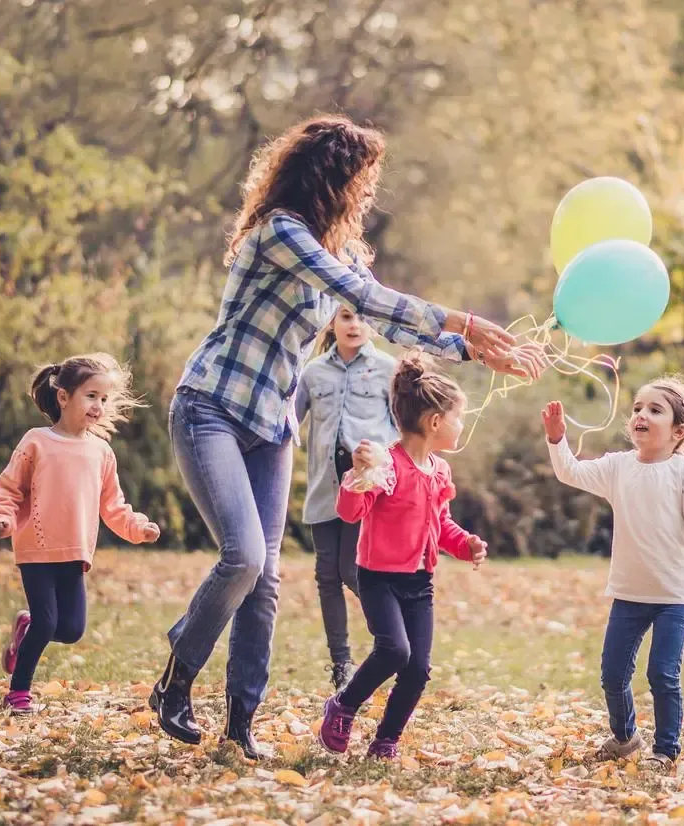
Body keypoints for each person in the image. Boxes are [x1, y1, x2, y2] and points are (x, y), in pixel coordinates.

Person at [151, 114, 546, 755]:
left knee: (267, 577)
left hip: (272, 424)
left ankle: (240, 724)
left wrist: (470, 351)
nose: (368, 193)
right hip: (213, 407)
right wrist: (470, 321)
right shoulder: (280, 233)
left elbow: (387, 318)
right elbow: (359, 291)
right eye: (362, 180)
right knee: (244, 557)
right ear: (329, 178)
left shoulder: (339, 252)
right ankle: (178, 674)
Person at [317, 352, 487, 760]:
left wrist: (465, 544)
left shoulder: (438, 471)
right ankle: (343, 706)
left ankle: (386, 739)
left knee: (417, 669)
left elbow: (439, 525)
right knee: (395, 650)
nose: (461, 424)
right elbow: (350, 512)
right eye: (458, 417)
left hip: (419, 583)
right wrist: (358, 477)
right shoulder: (385, 466)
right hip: (378, 579)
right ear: (434, 422)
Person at [541, 377, 684, 772]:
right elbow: (569, 471)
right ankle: (624, 737)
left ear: (678, 431)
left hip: (675, 592)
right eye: (638, 407)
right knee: (612, 673)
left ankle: (666, 749)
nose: (641, 414)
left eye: (655, 410)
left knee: (662, 673)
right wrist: (556, 440)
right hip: (629, 592)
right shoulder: (617, 466)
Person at [0, 353, 160, 714]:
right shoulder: (36, 442)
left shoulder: (101, 452)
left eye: (104, 398)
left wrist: (138, 528)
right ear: (64, 397)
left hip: (75, 552)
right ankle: (18, 692)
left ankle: (25, 628)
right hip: (36, 549)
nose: (98, 406)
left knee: (70, 629)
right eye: (90, 396)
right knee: (48, 620)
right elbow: (9, 489)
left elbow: (114, 506)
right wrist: (2, 518)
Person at [295, 307, 397, 689]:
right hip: (324, 485)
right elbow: (290, 422)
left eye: (360, 317)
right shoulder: (313, 372)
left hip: (366, 487)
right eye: (345, 317)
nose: (354, 325)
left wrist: (387, 467)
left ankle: (394, 637)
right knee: (326, 575)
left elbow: (402, 429)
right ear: (331, 323)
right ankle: (341, 664)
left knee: (351, 570)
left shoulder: (388, 369)